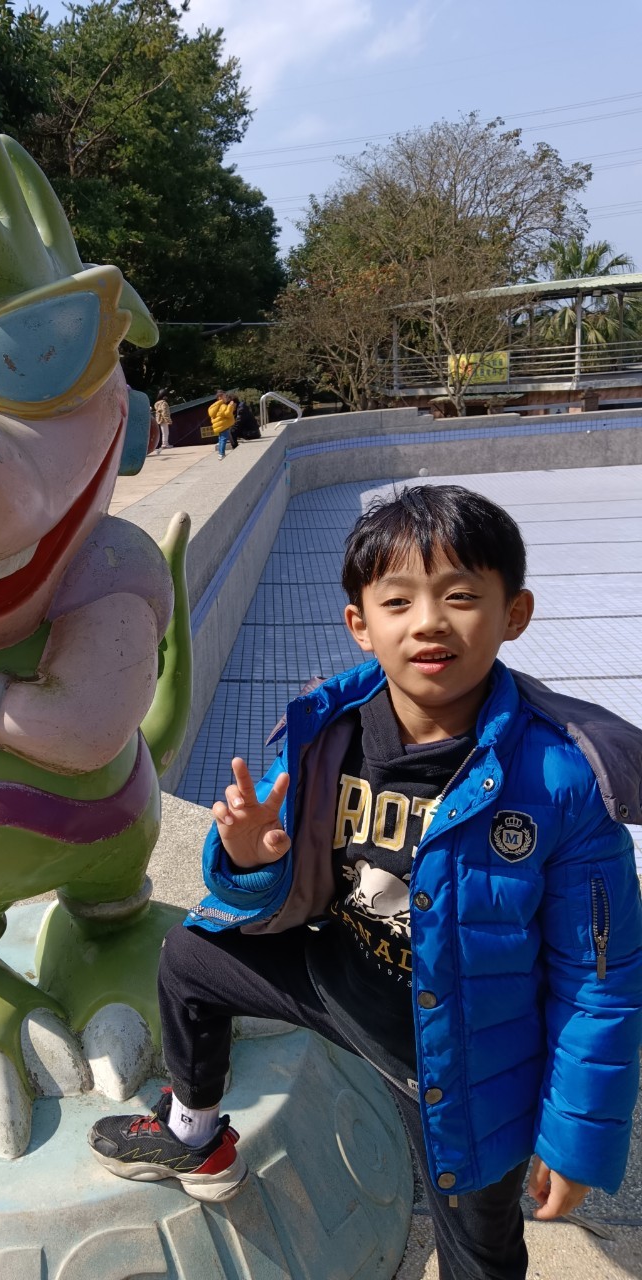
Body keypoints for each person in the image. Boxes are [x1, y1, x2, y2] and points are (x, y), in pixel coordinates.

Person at [89, 485, 642, 1280]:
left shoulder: (561, 782)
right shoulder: (328, 732)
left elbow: (599, 979)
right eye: (398, 601)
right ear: (360, 623)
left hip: (463, 1062)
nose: (429, 622)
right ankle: (193, 1135)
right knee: (189, 958)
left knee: (480, 1253)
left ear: (514, 614)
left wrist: (574, 1136)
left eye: (461, 597)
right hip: (341, 983)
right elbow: (262, 884)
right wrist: (247, 857)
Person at [207, 390, 235, 459]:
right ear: (220, 397)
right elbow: (227, 414)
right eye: (225, 397)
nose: (226, 398)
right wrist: (230, 406)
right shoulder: (222, 405)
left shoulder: (214, 406)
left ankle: (220, 453)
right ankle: (221, 454)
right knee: (223, 439)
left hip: (219, 426)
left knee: (220, 439)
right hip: (223, 425)